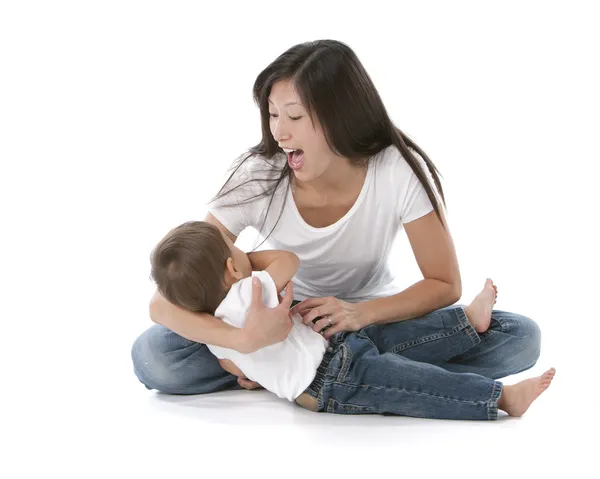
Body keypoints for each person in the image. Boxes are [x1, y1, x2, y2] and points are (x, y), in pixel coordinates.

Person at [132, 39, 544, 399]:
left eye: (294, 116)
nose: (279, 131)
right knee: (154, 357)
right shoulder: (257, 174)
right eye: (273, 114)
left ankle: (319, 375)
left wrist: (360, 314)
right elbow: (164, 301)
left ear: (341, 115)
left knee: (519, 339)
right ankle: (362, 375)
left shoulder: (395, 170)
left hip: (366, 321)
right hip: (274, 328)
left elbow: (444, 283)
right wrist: (246, 341)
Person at [148, 220, 554, 419]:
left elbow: (234, 366)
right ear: (232, 269)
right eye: (233, 247)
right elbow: (288, 260)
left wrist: (260, 365)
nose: (240, 247)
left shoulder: (214, 332)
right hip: (330, 380)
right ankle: (493, 389)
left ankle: (471, 332)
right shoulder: (250, 289)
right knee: (412, 383)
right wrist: (251, 263)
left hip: (330, 350)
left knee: (400, 359)